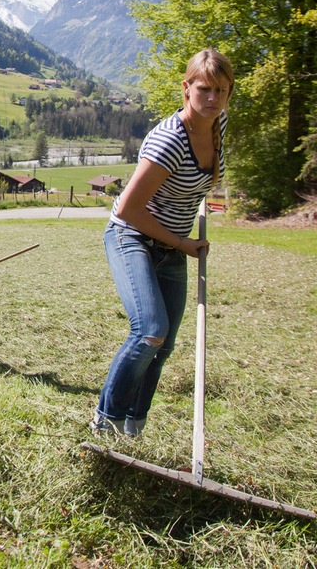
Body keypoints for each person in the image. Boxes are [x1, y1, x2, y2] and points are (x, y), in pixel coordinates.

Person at [92, 48, 234, 438]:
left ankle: (132, 429)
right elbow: (128, 210)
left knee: (165, 344)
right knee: (150, 331)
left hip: (171, 244)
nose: (213, 98)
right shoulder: (169, 141)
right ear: (186, 88)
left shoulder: (218, 129)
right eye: (204, 89)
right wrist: (182, 242)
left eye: (221, 91)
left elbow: (201, 185)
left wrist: (194, 218)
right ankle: (105, 422)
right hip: (131, 235)